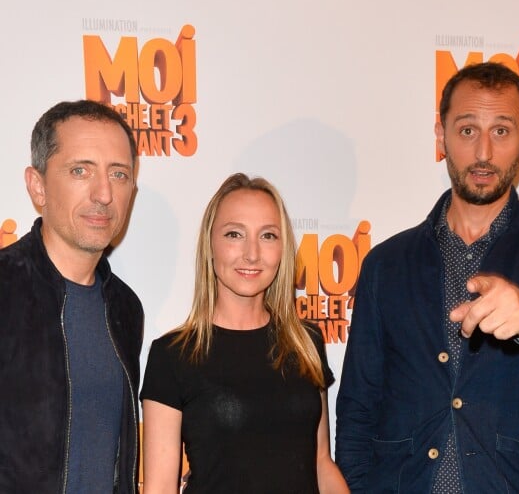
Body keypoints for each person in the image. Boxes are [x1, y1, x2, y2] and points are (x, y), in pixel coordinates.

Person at [335, 61, 519, 493]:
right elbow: (358, 406)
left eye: (501, 131)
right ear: (440, 135)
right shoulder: (386, 264)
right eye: (467, 130)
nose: (483, 152)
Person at [140, 173, 348, 494]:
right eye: (235, 234)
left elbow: (321, 462)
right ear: (210, 246)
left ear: (283, 249)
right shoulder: (173, 355)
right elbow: (160, 488)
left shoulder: (306, 342)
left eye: (268, 236)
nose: (252, 254)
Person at [0, 100, 144, 493]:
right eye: (80, 171)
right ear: (38, 186)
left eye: (119, 174)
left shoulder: (126, 309)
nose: (103, 194)